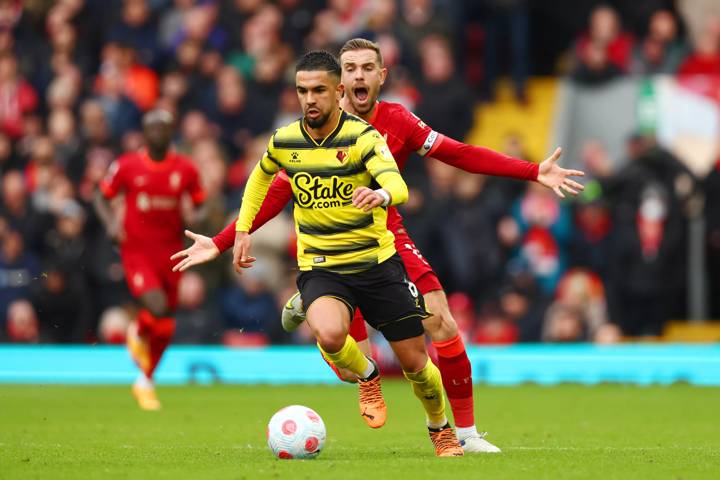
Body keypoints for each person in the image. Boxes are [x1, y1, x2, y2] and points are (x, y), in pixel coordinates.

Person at [172, 39, 584, 452]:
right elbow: (277, 191)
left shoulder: (397, 121)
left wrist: (533, 172)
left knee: (442, 322)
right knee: (349, 368)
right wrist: (224, 241)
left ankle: (463, 433)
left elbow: (458, 154)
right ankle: (318, 304)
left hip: (385, 239)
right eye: (350, 68)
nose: (358, 76)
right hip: (329, 252)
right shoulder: (313, 129)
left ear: (381, 76)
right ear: (339, 80)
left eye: (368, 68)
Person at [232, 50, 463, 457]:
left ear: (337, 91)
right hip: (323, 267)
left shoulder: (363, 138)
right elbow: (259, 179)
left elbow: (399, 184)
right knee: (329, 333)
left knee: (416, 366)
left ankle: (439, 426)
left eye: (319, 90)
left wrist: (382, 193)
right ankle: (368, 375)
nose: (310, 100)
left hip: (377, 264)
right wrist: (242, 229)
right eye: (302, 91)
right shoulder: (285, 141)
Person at [94, 109, 206, 410]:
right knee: (156, 306)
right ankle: (138, 332)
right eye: (152, 127)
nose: (158, 132)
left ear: (172, 133)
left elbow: (201, 204)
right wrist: (110, 225)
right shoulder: (127, 166)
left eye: (164, 127)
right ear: (144, 133)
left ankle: (145, 379)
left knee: (166, 323)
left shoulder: (186, 169)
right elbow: (100, 196)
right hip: (138, 251)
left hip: (172, 252)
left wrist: (194, 218)